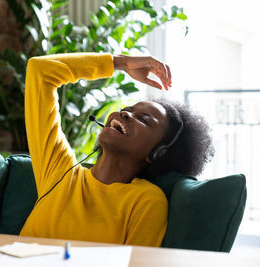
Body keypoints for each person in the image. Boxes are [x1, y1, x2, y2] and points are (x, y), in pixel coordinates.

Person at [19, 53, 214, 246]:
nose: (125, 114)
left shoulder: (147, 201)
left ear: (158, 153)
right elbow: (40, 71)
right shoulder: (59, 170)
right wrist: (121, 63)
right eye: (128, 109)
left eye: (145, 119)